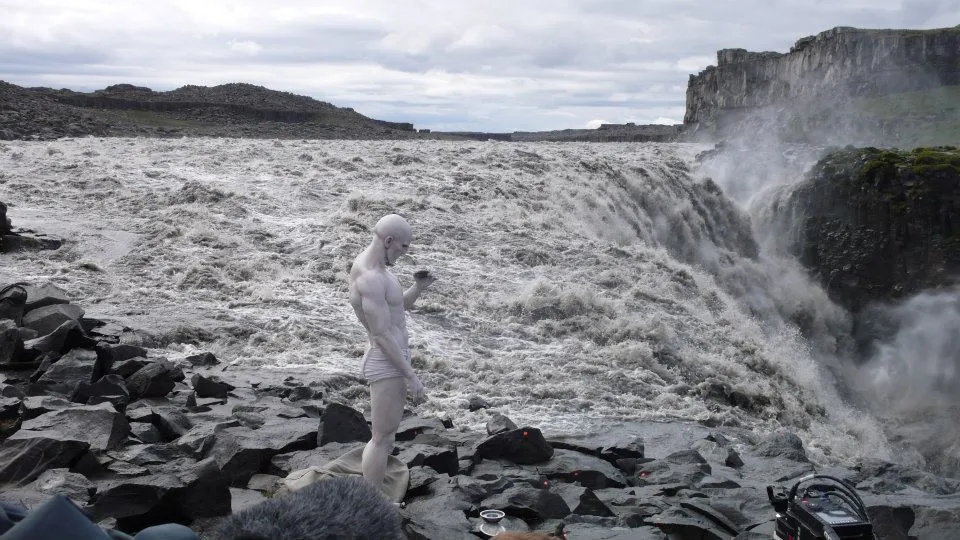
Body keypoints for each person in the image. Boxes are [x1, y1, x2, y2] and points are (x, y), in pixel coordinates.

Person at [348, 213, 435, 491]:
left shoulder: (382, 271)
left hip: (393, 360)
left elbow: (397, 308)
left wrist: (418, 289)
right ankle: (370, 503)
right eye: (404, 246)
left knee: (387, 437)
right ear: (388, 240)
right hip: (387, 361)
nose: (405, 252)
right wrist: (410, 375)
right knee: (381, 438)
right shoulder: (370, 277)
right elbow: (381, 334)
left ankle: (371, 496)